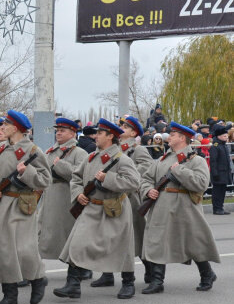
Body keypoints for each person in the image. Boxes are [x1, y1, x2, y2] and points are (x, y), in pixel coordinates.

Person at [53, 119, 142, 301]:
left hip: (113, 208)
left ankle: (128, 283)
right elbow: (76, 178)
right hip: (91, 207)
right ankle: (73, 284)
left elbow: (134, 182)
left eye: (100, 133)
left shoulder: (121, 159)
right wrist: (78, 194)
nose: (96, 136)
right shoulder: (90, 157)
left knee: (121, 247)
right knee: (77, 243)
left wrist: (108, 178)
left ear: (111, 136)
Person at [139, 122, 221, 294]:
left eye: (174, 135)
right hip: (161, 206)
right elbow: (146, 178)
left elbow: (201, 184)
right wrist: (148, 190)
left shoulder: (196, 160)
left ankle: (207, 274)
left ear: (183, 138)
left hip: (185, 207)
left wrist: (179, 171)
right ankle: (157, 281)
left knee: (193, 242)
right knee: (157, 241)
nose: (170, 137)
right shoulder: (162, 159)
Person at [0, 110, 51, 304]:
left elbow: (45, 180)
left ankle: (38, 278)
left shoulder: (33, 151)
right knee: (4, 251)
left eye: (7, 124)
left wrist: (27, 172)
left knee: (25, 249)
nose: (2, 127)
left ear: (17, 128)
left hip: (23, 204)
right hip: (1, 203)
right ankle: (9, 296)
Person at [90, 115, 154, 287]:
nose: (122, 129)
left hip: (130, 197)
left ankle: (151, 270)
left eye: (126, 127)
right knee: (109, 235)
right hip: (112, 194)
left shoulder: (137, 150)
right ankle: (107, 273)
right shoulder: (115, 149)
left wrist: (124, 173)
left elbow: (148, 168)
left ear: (134, 133)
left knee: (136, 236)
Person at [37, 118, 86, 272]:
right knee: (40, 231)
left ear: (73, 133)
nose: (58, 133)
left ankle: (79, 266)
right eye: (57, 130)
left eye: (62, 130)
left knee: (68, 233)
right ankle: (34, 269)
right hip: (49, 195)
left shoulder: (79, 152)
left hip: (66, 197)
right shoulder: (51, 151)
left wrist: (60, 165)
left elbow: (81, 175)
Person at [208, 125, 232, 215]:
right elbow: (213, 161)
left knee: (222, 191)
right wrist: (215, 173)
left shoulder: (224, 145)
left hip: (225, 172)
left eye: (226, 136)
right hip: (218, 173)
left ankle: (220, 207)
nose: (226, 137)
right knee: (217, 192)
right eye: (224, 136)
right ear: (219, 136)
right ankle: (216, 208)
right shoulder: (215, 146)